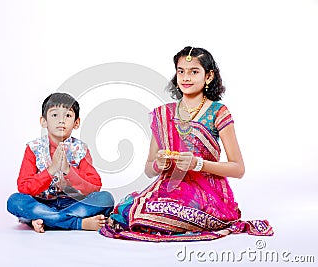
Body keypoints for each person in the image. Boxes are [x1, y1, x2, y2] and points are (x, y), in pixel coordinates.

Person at [100, 46, 273, 242]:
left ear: (209, 77)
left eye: (194, 72)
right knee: (128, 211)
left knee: (158, 213)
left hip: (206, 193)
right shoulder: (163, 115)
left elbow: (238, 169)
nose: (186, 77)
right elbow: (150, 170)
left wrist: (198, 164)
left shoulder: (218, 112)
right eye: (181, 71)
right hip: (167, 187)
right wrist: (160, 164)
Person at [7, 92, 114, 233]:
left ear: (76, 123)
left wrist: (68, 170)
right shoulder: (33, 148)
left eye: (68, 115)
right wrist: (52, 169)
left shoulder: (81, 149)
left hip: (72, 203)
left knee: (106, 198)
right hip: (41, 203)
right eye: (54, 115)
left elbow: (94, 187)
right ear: (43, 121)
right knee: (15, 201)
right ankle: (77, 223)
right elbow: (24, 187)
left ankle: (46, 220)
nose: (61, 120)